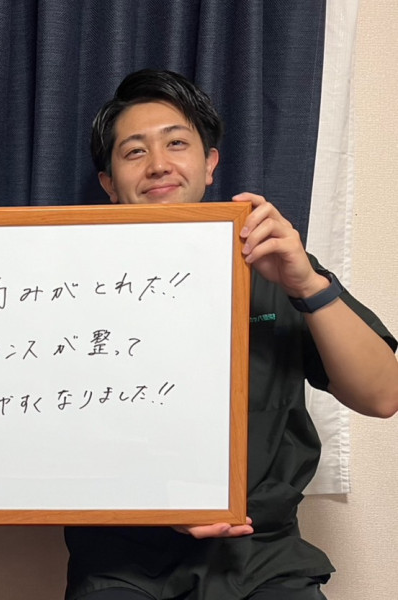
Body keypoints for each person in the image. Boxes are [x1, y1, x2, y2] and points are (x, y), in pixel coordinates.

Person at [65, 69, 398, 600]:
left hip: (264, 560)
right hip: (121, 564)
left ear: (210, 163)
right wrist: (151, 503)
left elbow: (383, 396)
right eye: (134, 151)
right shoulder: (67, 286)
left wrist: (306, 285)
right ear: (108, 183)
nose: (158, 164)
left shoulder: (274, 265)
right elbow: (44, 443)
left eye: (177, 143)